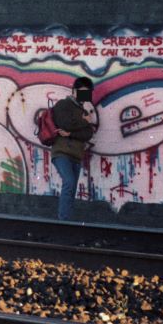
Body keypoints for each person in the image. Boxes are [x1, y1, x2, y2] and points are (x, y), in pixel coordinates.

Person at [51, 76, 97, 220]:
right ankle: (63, 220)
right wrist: (85, 122)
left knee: (72, 189)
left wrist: (71, 133)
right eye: (83, 92)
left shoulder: (83, 110)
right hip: (62, 152)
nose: (85, 96)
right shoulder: (63, 105)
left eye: (88, 92)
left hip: (76, 155)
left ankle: (67, 220)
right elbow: (65, 124)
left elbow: (88, 134)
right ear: (74, 90)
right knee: (69, 183)